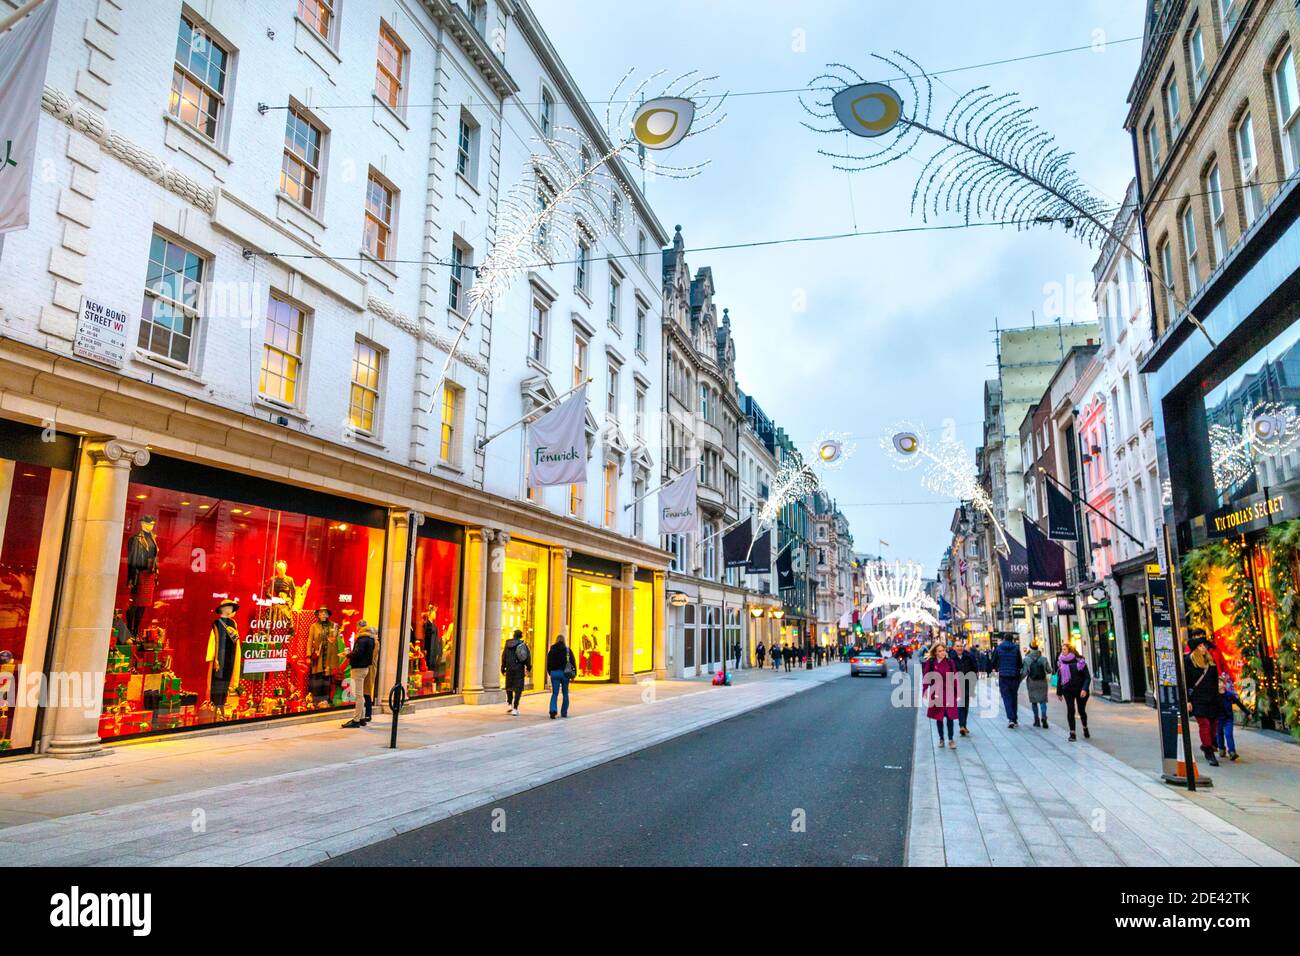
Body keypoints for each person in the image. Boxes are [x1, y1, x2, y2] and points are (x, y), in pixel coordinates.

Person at [1184, 640, 1221, 766]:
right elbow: (1186, 682)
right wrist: (1187, 700)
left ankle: (1207, 744)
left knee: (1213, 724)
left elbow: (1215, 679)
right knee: (1204, 724)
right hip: (1197, 698)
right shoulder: (1190, 661)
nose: (1203, 647)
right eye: (1200, 645)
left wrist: (1218, 694)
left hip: (1212, 697)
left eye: (1204, 645)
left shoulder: (1210, 661)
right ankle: (1209, 751)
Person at [922, 642, 960, 749]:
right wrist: (925, 690)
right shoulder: (931, 662)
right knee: (939, 717)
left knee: (950, 716)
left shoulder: (949, 662)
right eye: (939, 651)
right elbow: (926, 677)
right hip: (937, 693)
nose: (942, 653)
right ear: (935, 652)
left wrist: (957, 692)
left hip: (949, 692)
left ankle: (951, 739)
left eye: (943, 650)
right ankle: (941, 739)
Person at [341, 622, 376, 728]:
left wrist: (347, 655)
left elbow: (357, 653)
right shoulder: (371, 640)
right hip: (364, 668)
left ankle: (356, 720)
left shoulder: (361, 640)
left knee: (358, 695)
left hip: (358, 668)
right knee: (360, 694)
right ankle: (362, 718)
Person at [1056, 641, 1092, 741]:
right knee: (1070, 710)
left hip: (1080, 690)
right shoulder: (1061, 661)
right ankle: (1072, 733)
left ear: (1070, 650)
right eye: (1062, 649)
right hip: (1067, 690)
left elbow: (1087, 677)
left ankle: (1085, 727)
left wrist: (1084, 689)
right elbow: (1060, 677)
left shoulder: (1080, 662)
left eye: (1064, 649)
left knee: (1081, 711)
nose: (1062, 651)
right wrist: (1059, 692)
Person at [991, 632, 1024, 727]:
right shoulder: (1016, 648)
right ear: (1012, 639)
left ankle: (1011, 718)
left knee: (1006, 697)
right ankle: (1014, 718)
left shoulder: (999, 648)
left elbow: (993, 661)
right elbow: (1020, 663)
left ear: (1004, 639)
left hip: (1003, 676)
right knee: (1014, 697)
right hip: (1014, 676)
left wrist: (997, 667)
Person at [949, 638, 979, 737]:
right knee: (961, 703)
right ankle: (962, 725)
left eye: (961, 646)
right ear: (953, 648)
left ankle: (964, 725)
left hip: (967, 683)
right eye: (957, 646)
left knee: (965, 705)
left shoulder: (969, 656)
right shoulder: (950, 658)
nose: (959, 648)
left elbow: (975, 668)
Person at [1217, 673, 1247, 762]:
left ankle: (1232, 752)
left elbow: (1239, 703)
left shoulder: (1229, 695)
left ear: (1224, 684)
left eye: (1220, 682)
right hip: (1218, 718)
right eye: (1217, 683)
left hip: (1228, 719)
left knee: (1228, 734)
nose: (1219, 684)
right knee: (1219, 734)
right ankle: (1221, 748)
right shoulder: (1214, 696)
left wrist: (1247, 712)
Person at [501, 629, 531, 716]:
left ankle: (509, 704)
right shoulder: (523, 645)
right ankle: (515, 708)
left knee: (509, 687)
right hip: (519, 669)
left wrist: (503, 667)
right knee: (518, 689)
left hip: (509, 668)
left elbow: (504, 656)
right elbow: (527, 657)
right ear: (520, 636)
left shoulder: (507, 644)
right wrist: (528, 667)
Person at [546, 633, 576, 719]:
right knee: (565, 693)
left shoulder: (552, 650)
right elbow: (573, 662)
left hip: (554, 673)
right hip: (565, 674)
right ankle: (564, 712)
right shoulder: (567, 650)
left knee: (554, 693)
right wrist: (574, 674)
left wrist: (550, 672)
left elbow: (548, 662)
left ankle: (553, 710)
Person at [1024, 641, 1051, 729]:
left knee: (1034, 702)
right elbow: (1049, 670)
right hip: (1042, 682)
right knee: (1043, 701)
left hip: (1032, 682)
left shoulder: (1026, 659)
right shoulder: (1043, 658)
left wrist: (1017, 681)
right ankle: (1044, 717)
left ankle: (1036, 720)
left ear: (1030, 648)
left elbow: (1024, 672)